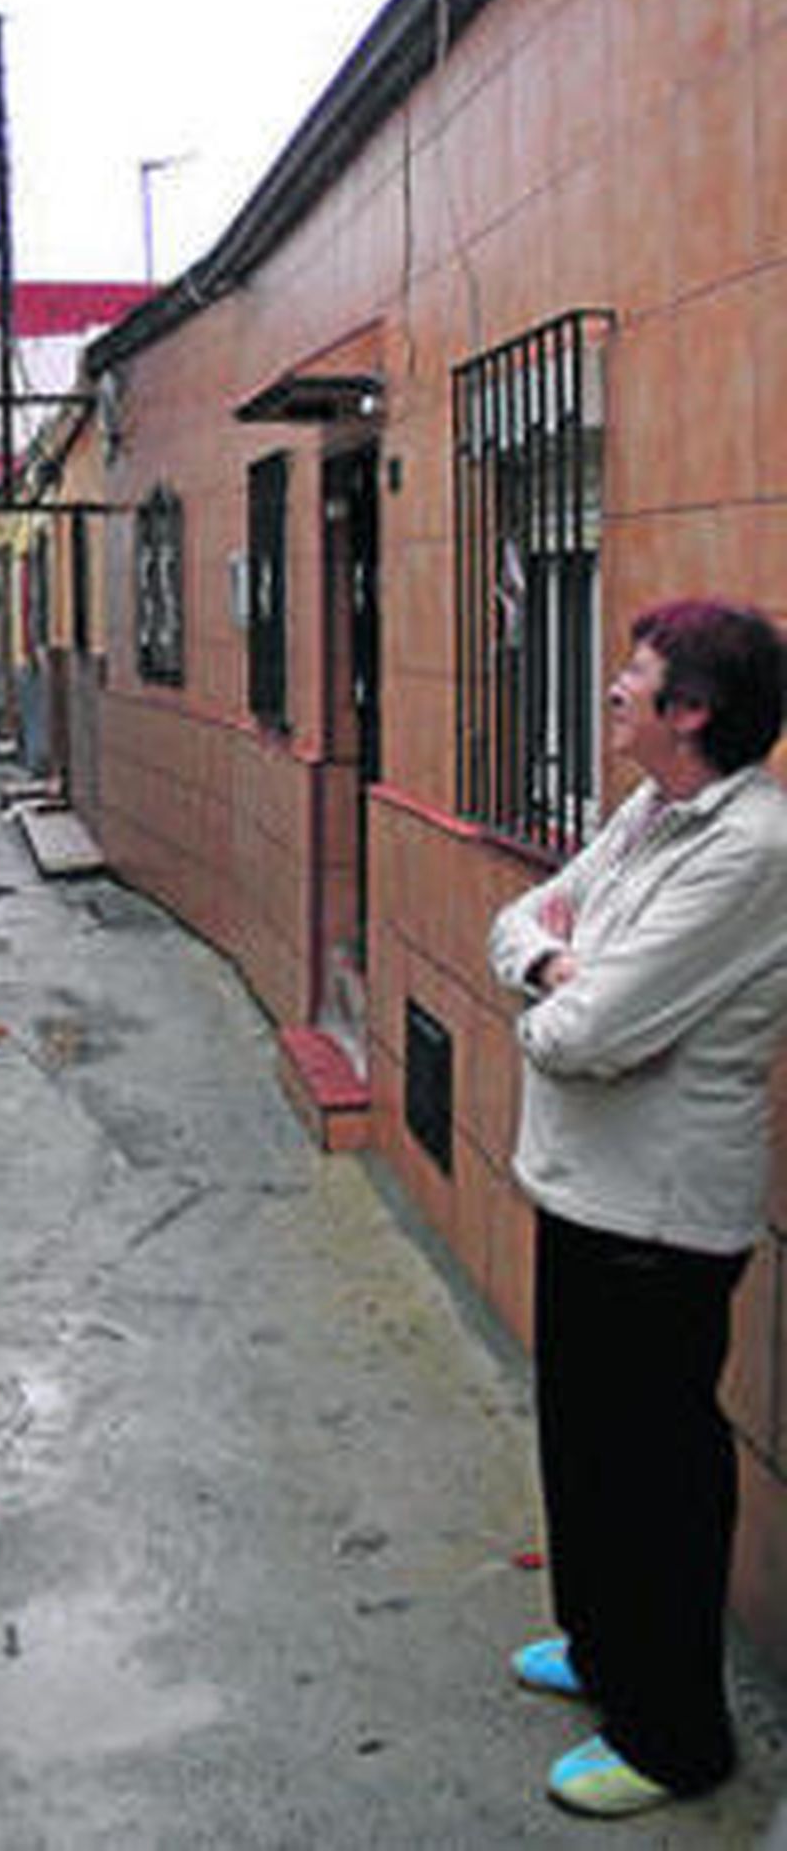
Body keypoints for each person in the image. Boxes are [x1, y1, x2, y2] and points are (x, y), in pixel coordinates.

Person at [489, 597, 787, 1819]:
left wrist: (564, 985)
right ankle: (605, 1651)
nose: (613, 685)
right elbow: (524, 918)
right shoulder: (650, 811)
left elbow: (592, 1036)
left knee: (657, 1467)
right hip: (580, 1188)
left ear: (690, 713)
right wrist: (551, 961)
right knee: (583, 1442)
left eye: (636, 673)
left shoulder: (750, 846)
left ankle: (674, 1735)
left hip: (659, 1216)